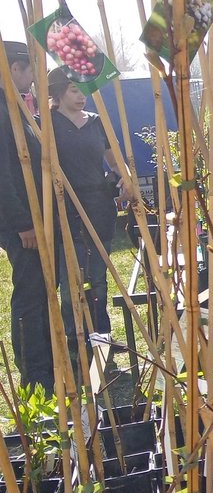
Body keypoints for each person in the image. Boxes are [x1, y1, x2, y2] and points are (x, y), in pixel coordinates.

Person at [44, 67, 128, 355]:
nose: (82, 96)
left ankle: (101, 335)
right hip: (64, 208)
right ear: (58, 93)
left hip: (97, 205)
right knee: (72, 280)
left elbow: (115, 160)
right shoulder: (46, 124)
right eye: (74, 90)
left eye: (84, 90)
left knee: (98, 275)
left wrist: (125, 180)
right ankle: (75, 338)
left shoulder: (95, 122)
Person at [0, 40, 53, 391]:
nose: (34, 79)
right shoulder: (2, 109)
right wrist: (23, 223)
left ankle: (45, 364)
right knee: (31, 296)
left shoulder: (14, 106)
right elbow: (3, 172)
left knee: (40, 292)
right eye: (30, 70)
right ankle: (35, 375)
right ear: (14, 69)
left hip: (33, 217)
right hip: (23, 223)